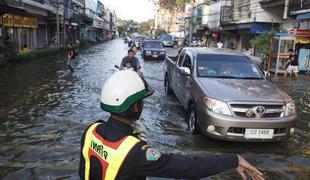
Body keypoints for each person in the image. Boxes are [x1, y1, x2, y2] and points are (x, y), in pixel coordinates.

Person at [79, 70, 265, 180]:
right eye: (142, 101)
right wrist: (233, 159)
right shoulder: (135, 152)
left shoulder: (91, 131)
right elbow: (188, 167)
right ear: (135, 105)